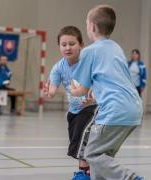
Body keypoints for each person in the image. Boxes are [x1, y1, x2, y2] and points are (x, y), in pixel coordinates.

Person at [70, 5, 144, 180]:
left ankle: (131, 178)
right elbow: (111, 82)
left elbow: (82, 89)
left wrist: (72, 89)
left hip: (114, 111)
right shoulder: (116, 48)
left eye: (87, 24)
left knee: (92, 154)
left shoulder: (89, 52)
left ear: (93, 27)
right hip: (133, 109)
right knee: (104, 157)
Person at [43, 26, 97, 180]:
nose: (67, 48)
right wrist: (49, 92)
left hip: (92, 108)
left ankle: (83, 174)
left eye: (72, 44)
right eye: (63, 44)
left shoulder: (89, 62)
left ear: (81, 44)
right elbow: (53, 90)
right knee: (80, 142)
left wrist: (94, 95)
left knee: (80, 139)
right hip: (74, 111)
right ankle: (89, 171)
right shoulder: (58, 67)